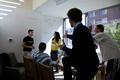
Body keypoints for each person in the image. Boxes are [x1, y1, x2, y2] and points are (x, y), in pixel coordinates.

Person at [62, 8, 99, 80]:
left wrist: (64, 47)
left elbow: (75, 54)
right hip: (91, 62)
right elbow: (78, 40)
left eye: (69, 19)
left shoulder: (78, 30)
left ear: (70, 20)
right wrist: (67, 36)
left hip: (87, 66)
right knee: (65, 59)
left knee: (65, 59)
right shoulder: (83, 28)